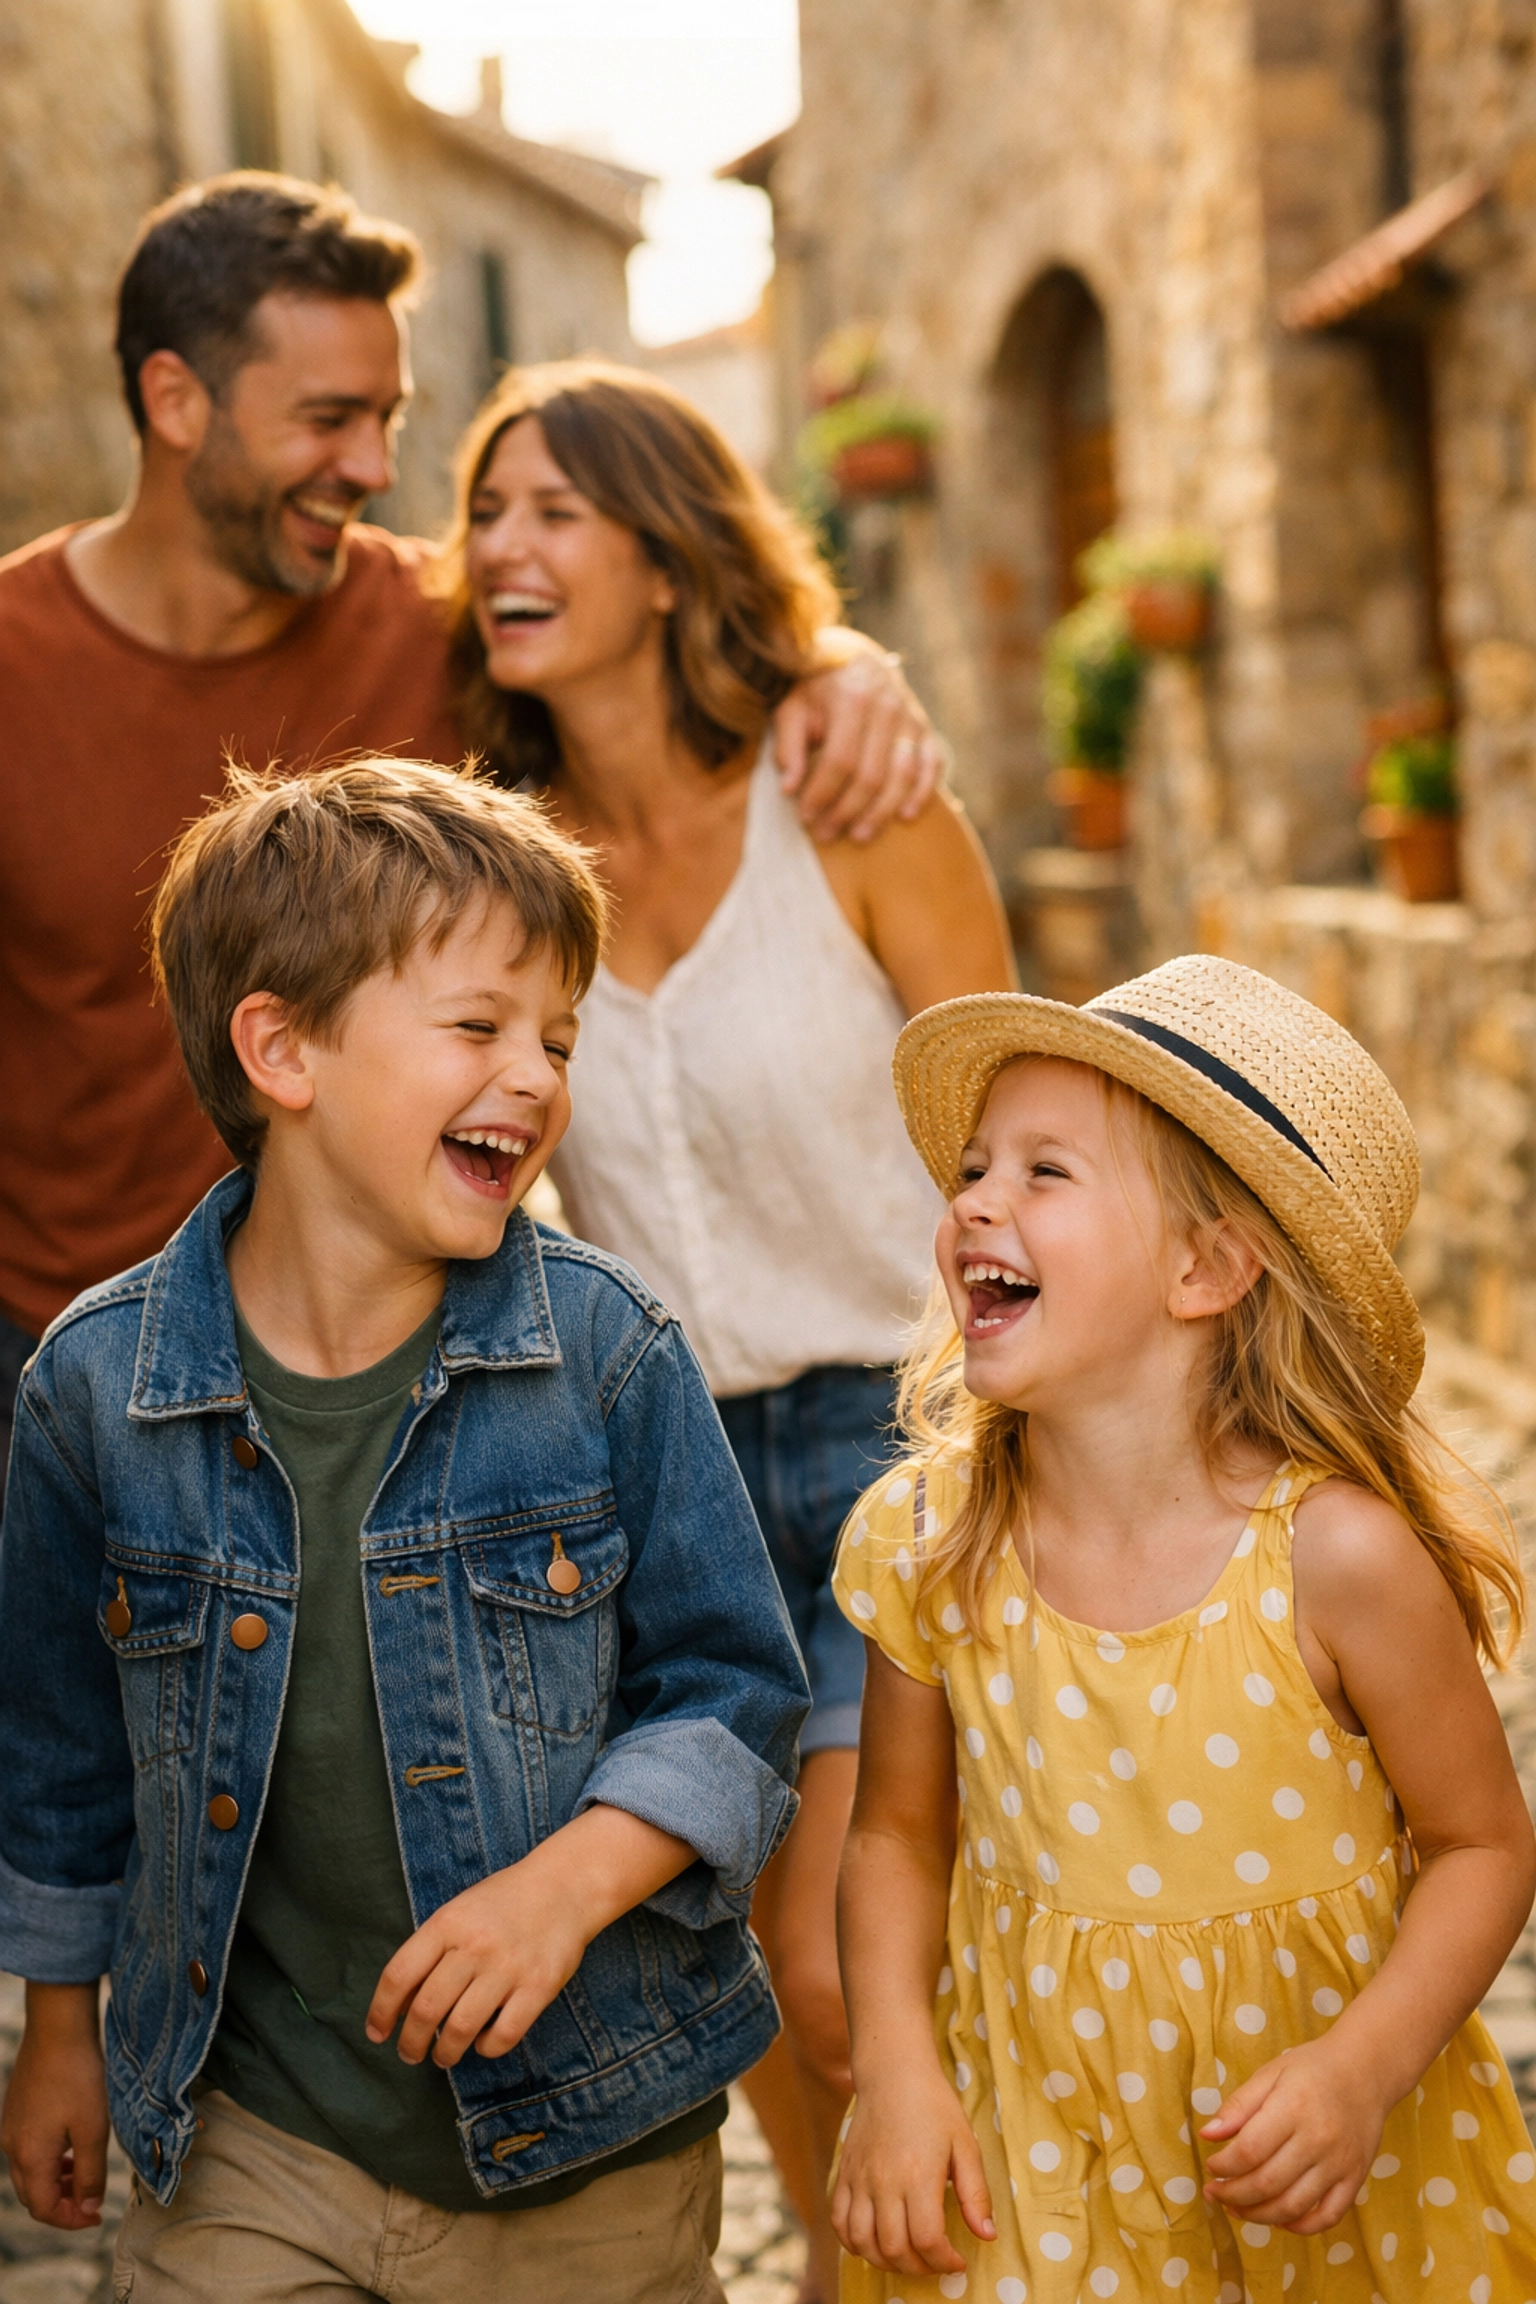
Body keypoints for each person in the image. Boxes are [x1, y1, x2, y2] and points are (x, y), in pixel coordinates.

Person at [0, 757, 811, 2302]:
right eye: (479, 1027)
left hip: (595, 2159)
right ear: (283, 1050)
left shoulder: (609, 1351)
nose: (538, 1073)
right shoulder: (95, 1393)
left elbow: (731, 1692)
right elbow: (59, 1756)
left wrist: (562, 1889)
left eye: (559, 1038)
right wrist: (57, 2031)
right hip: (261, 2143)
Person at [0, 171, 941, 1470]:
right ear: (175, 402)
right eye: (329, 420)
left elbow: (625, 631)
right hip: (69, 1390)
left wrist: (836, 665)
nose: (374, 471)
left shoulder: (436, 637)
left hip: (410, 1408)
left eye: (386, 420)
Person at [435, 357, 1018, 2301]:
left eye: (552, 512)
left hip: (890, 1445)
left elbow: (1013, 1130)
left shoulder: (843, 788)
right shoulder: (494, 856)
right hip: (647, 1473)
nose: (502, 549)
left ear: (667, 557)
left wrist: (1033, 1427)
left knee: (853, 1978)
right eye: (484, 515)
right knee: (761, 1988)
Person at [830, 954, 1536, 2301]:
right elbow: (896, 1834)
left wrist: (1360, 2070)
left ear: (1206, 1267)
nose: (977, 1200)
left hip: (1317, 2162)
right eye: (976, 1168)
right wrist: (900, 2074)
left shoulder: (1334, 1558)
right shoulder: (934, 1539)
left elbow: (1483, 1844)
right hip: (1041, 2145)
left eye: (1047, 1173)